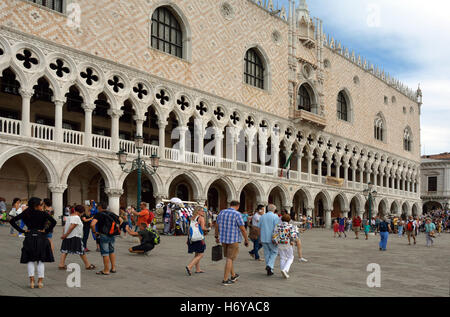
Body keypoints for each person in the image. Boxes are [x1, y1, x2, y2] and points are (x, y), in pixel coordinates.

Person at [9, 197, 56, 289]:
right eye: (41, 204)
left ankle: (31, 281)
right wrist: (46, 231)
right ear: (36, 205)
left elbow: (12, 221)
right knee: (40, 260)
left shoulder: (26, 213)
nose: (42, 206)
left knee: (30, 260)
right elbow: (53, 222)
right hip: (41, 237)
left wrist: (22, 231)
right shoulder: (43, 214)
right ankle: (40, 282)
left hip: (29, 236)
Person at [215, 201, 249, 286]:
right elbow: (242, 228)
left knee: (229, 258)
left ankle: (233, 275)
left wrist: (216, 236)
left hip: (223, 239)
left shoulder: (222, 212)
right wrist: (246, 239)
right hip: (233, 239)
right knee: (230, 259)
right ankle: (225, 279)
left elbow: (216, 225)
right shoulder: (237, 214)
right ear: (237, 206)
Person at [58, 205, 96, 270]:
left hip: (67, 236)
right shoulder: (76, 217)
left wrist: (64, 235)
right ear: (82, 212)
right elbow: (72, 226)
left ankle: (61, 264)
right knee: (81, 251)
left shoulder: (69, 216)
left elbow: (65, 227)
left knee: (65, 250)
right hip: (75, 236)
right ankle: (87, 265)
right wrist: (66, 234)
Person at [90, 202, 123, 276]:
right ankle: (113, 268)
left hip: (103, 234)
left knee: (105, 252)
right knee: (111, 251)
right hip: (112, 234)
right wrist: (115, 229)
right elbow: (121, 220)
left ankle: (106, 270)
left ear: (100, 207)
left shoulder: (99, 214)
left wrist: (94, 231)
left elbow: (92, 224)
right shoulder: (111, 213)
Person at [272, 214, 299, 279]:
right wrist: (293, 241)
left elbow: (274, 235)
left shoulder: (277, 226)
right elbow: (293, 235)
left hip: (280, 243)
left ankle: (283, 270)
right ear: (289, 220)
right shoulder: (291, 226)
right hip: (288, 243)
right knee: (290, 257)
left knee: (282, 257)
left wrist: (276, 241)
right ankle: (285, 270)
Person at [257, 204, 280, 276]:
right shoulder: (275, 216)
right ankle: (269, 266)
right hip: (272, 238)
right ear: (274, 210)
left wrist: (260, 237)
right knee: (274, 252)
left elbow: (259, 228)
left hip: (263, 237)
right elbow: (277, 228)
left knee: (267, 253)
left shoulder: (262, 216)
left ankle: (270, 270)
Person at [185, 206, 207, 275]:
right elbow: (203, 228)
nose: (203, 212)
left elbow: (189, 229)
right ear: (198, 211)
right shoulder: (201, 218)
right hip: (199, 238)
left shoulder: (192, 218)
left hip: (192, 237)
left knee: (197, 253)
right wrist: (208, 229)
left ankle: (198, 269)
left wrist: (188, 238)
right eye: (202, 211)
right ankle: (189, 266)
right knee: (201, 254)